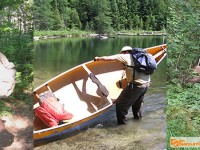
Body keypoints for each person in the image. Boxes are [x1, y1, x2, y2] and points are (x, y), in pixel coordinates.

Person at [95, 46, 150, 125]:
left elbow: (109, 58)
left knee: (120, 105)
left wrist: (98, 58)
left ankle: (122, 126)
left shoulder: (126, 56)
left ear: (124, 52)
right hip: (146, 84)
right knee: (137, 104)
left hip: (136, 86)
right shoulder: (142, 57)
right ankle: (138, 121)